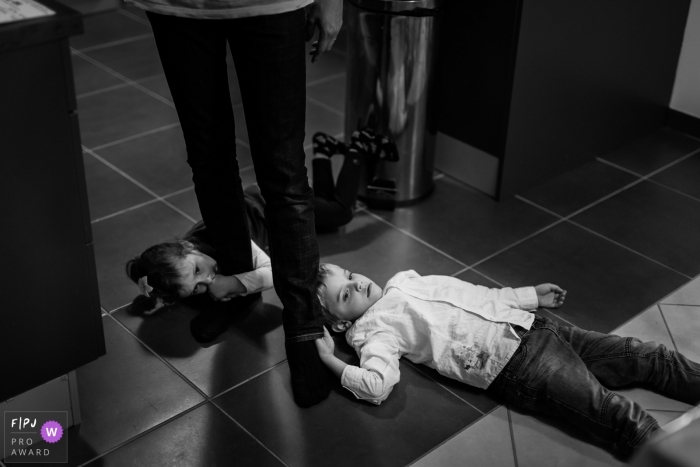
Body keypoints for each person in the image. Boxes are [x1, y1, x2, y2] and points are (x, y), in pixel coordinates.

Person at [124, 0, 342, 407]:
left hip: (272, 3)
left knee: (284, 169)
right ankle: (240, 287)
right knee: (209, 161)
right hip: (178, 7)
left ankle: (304, 327)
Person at [313, 264, 700, 455]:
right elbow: (377, 386)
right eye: (345, 294)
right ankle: (676, 458)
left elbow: (473, 294)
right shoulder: (374, 333)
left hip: (533, 326)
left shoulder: (404, 280)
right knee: (611, 410)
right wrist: (332, 361)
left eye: (349, 275)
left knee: (643, 354)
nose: (357, 283)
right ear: (340, 320)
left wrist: (529, 295)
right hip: (515, 365)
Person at [125, 131, 395, 341]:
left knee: (340, 213)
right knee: (324, 211)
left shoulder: (223, 237)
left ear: (187, 246)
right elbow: (183, 281)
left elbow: (270, 273)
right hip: (270, 224)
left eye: (198, 270)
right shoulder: (185, 266)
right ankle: (323, 151)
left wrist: (232, 284)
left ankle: (359, 146)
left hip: (270, 205)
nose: (207, 279)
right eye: (196, 288)